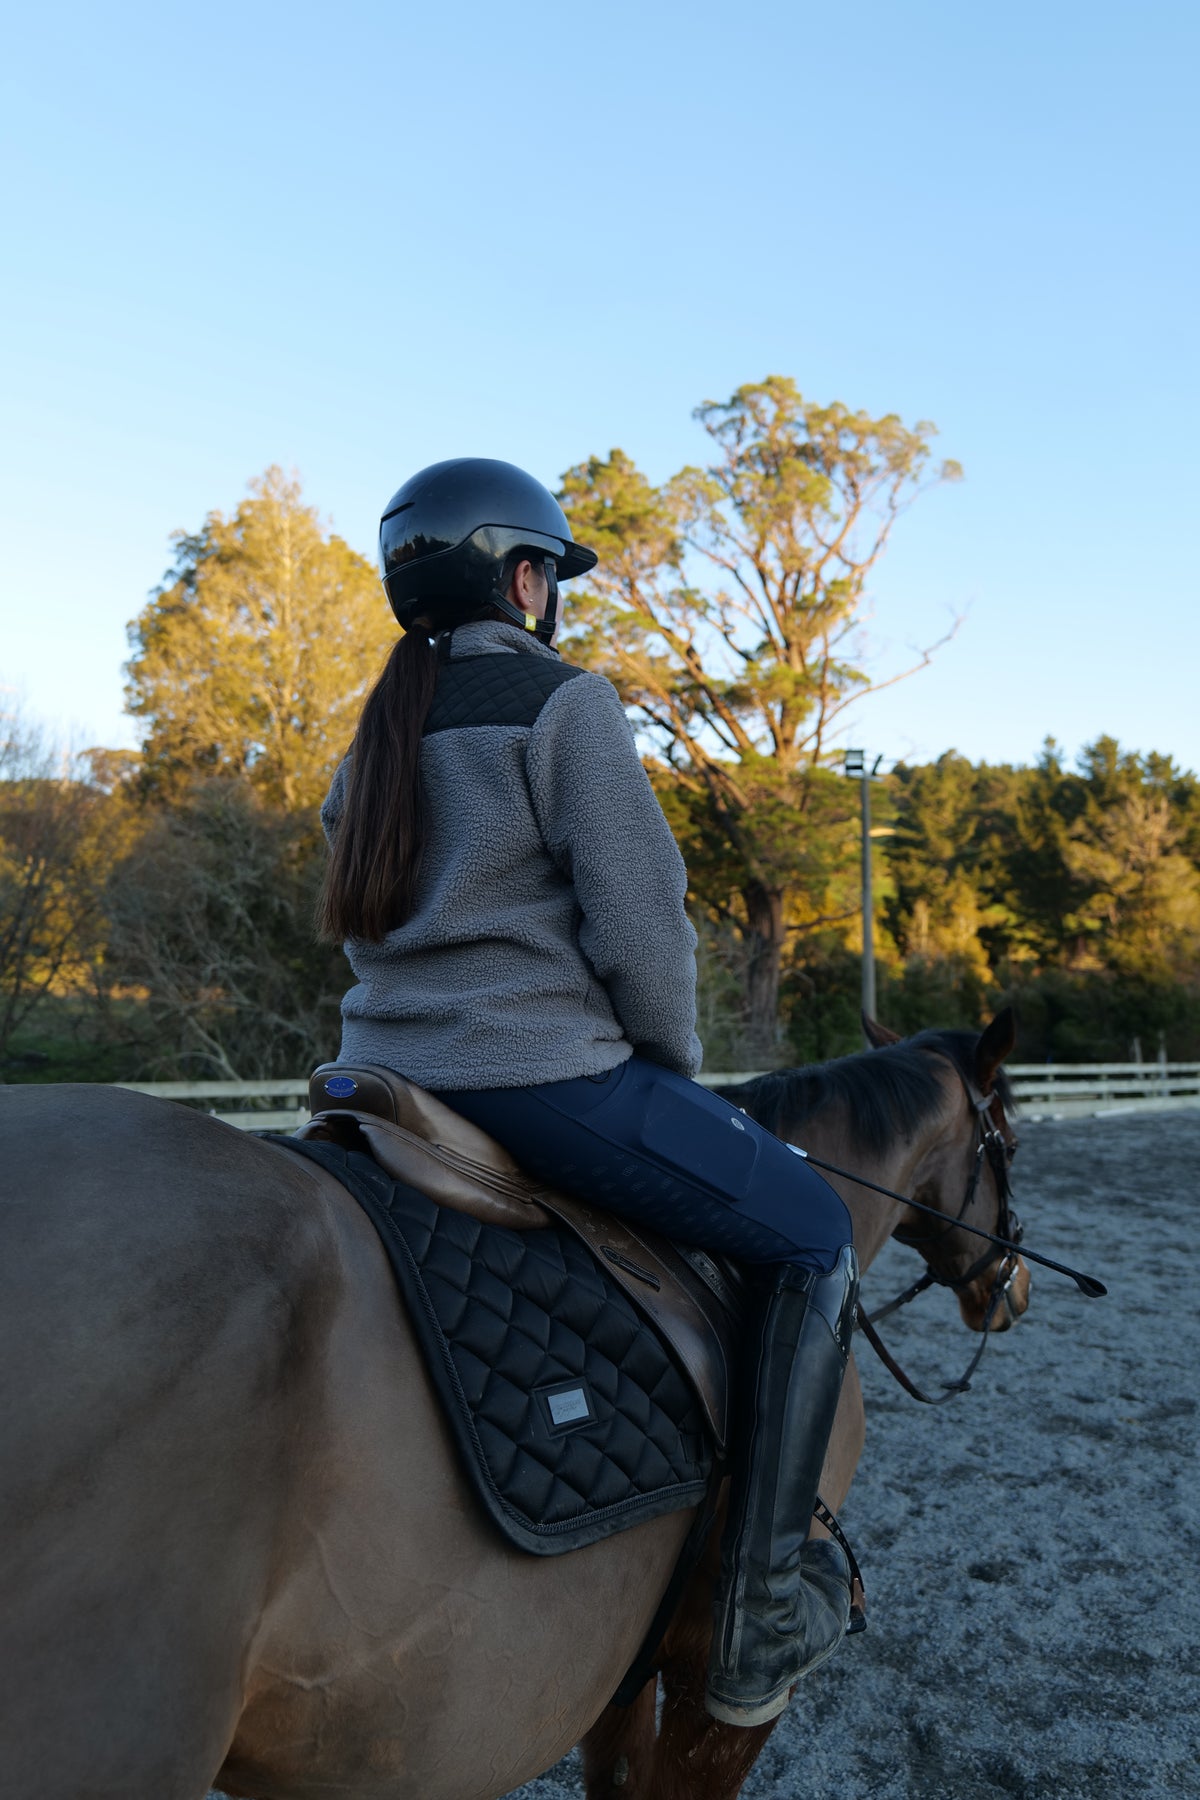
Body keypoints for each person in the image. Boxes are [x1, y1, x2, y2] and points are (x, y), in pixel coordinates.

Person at [317, 456, 860, 1728]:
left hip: (384, 1077)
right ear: (522, 576)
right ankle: (761, 1609)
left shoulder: (377, 731)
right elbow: (639, 922)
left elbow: (351, 918)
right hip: (537, 1079)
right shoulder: (565, 704)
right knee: (818, 1233)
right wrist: (665, 1065)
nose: (552, 593)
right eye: (549, 572)